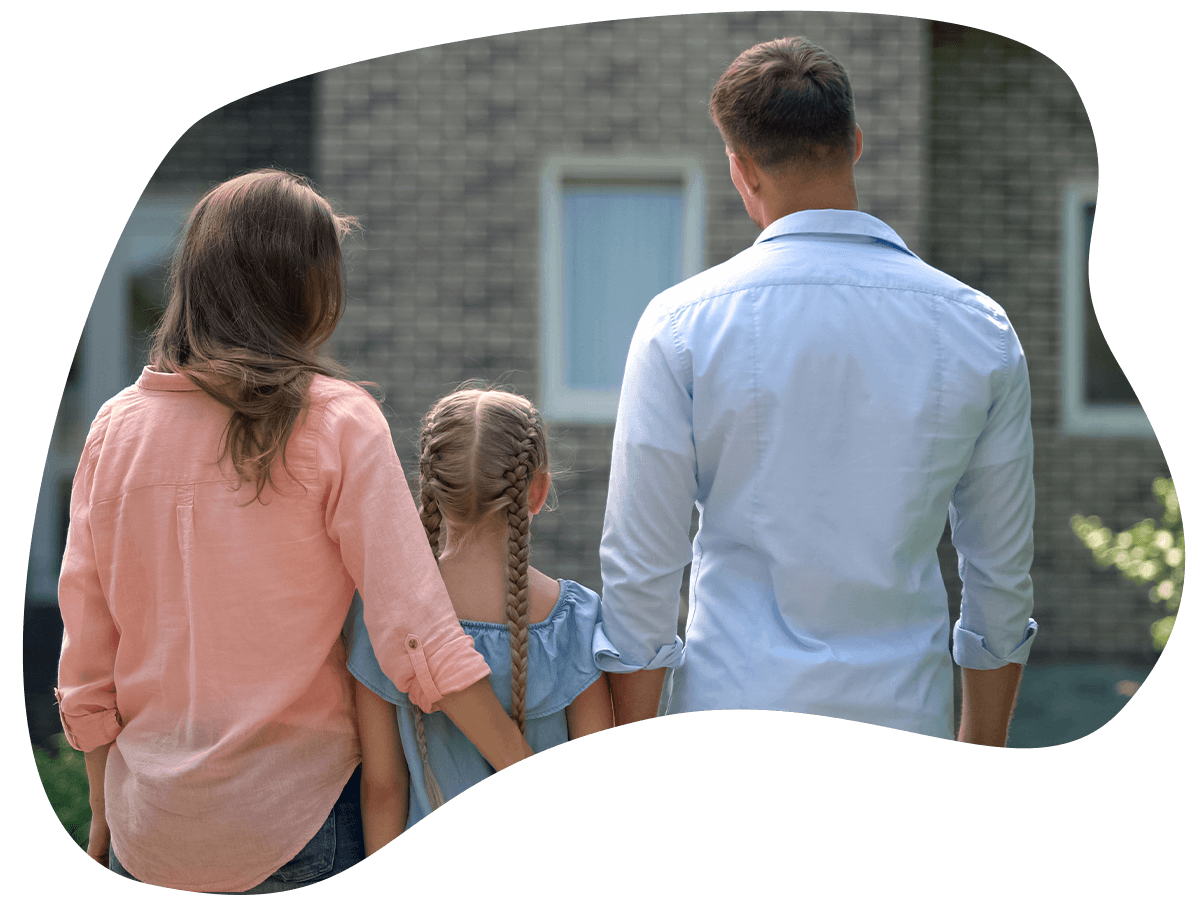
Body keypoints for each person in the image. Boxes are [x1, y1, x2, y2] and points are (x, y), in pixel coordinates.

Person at [55, 170, 532, 893]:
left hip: (147, 833)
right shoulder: (338, 421)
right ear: (295, 285)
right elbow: (417, 633)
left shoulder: (111, 431)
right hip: (296, 825)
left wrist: (100, 807)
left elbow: (88, 656)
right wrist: (522, 766)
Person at [593, 37, 1037, 746]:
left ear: (741, 171)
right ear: (855, 143)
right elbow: (1000, 580)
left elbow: (642, 576)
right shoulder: (978, 327)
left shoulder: (679, 326)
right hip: (906, 720)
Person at [345, 387, 613, 849]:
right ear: (538, 490)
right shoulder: (577, 621)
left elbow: (384, 789)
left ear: (429, 488)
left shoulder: (383, 617)